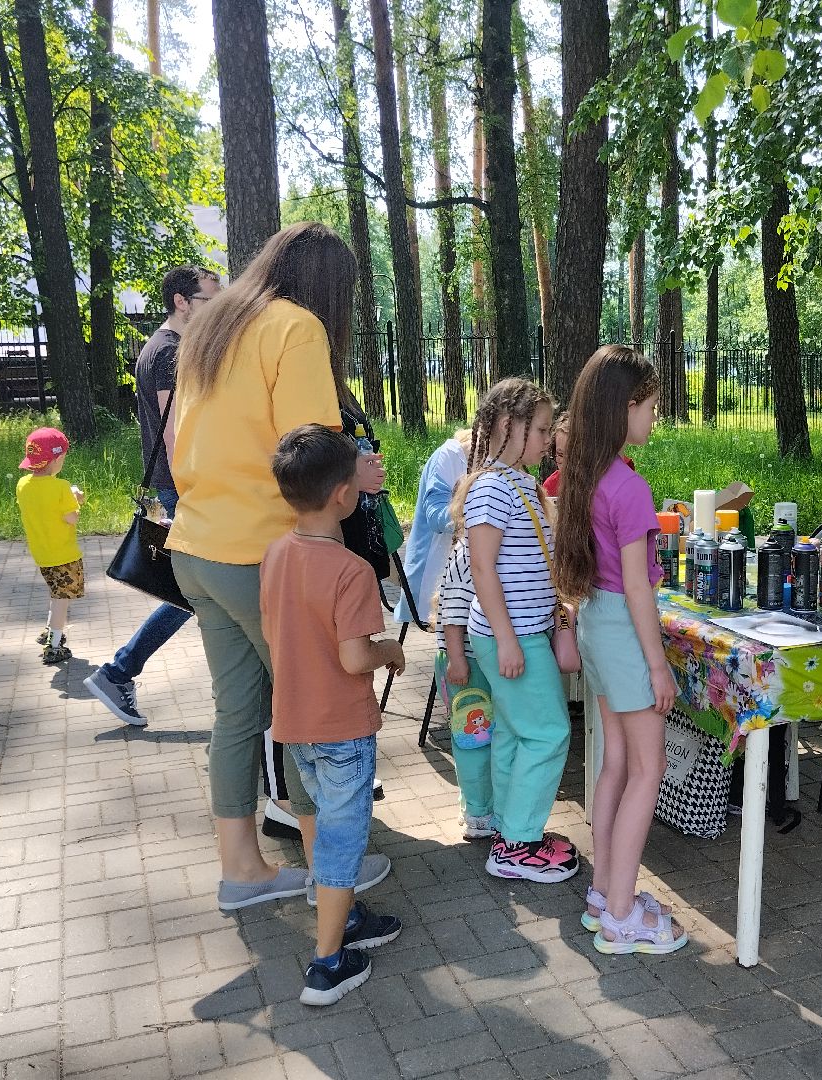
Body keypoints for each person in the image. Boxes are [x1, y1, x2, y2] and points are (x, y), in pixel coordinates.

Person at [165, 221, 388, 912]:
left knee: (237, 712)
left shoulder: (216, 322)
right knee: (307, 710)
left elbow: (177, 440)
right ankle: (331, 872)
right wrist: (362, 474)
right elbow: (309, 447)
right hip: (263, 553)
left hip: (197, 545)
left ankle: (244, 869)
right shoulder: (296, 328)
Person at [262, 425, 404, 1005]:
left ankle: (340, 921)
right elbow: (353, 657)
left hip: (294, 721)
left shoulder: (275, 553)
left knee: (324, 823)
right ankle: (326, 965)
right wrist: (388, 651)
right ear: (346, 494)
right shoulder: (352, 571)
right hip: (343, 726)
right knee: (344, 840)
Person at [552, 346, 687, 955]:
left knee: (613, 766)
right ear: (626, 407)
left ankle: (606, 894)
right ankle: (623, 914)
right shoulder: (628, 486)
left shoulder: (585, 477)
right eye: (651, 408)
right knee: (647, 769)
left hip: (596, 625)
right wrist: (658, 665)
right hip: (624, 634)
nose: (654, 420)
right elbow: (639, 587)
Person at [85, 265, 220, 726]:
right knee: (194, 590)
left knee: (196, 589)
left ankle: (120, 671)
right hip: (183, 483)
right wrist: (194, 488)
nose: (215, 308)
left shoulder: (160, 347)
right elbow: (174, 431)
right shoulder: (169, 352)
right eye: (208, 299)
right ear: (182, 301)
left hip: (177, 483)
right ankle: (119, 671)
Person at [462, 377, 579, 883]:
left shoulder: (520, 481)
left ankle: (510, 828)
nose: (549, 439)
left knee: (514, 731)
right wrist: (508, 639)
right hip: (512, 635)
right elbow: (483, 568)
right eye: (540, 429)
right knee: (549, 732)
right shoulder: (491, 487)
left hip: (525, 630)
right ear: (507, 426)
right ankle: (521, 842)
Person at [433, 536, 496, 841]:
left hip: (472, 659)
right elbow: (455, 611)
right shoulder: (471, 548)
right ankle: (480, 814)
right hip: (467, 663)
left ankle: (475, 804)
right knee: (475, 740)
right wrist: (457, 659)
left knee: (478, 737)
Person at [16, 427, 85, 665]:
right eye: (63, 457)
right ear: (56, 459)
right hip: (63, 554)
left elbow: (43, 506)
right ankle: (53, 645)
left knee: (56, 592)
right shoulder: (61, 488)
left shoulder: (23, 485)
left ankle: (50, 630)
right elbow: (71, 518)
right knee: (61, 599)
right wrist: (76, 500)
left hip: (42, 553)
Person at [395, 429, 472, 627]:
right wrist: (478, 513)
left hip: (461, 579)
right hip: (434, 580)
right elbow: (437, 518)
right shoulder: (450, 456)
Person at [543, 412, 636, 497]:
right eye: (560, 454)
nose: (567, 463)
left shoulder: (613, 475)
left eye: (573, 455)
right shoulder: (551, 487)